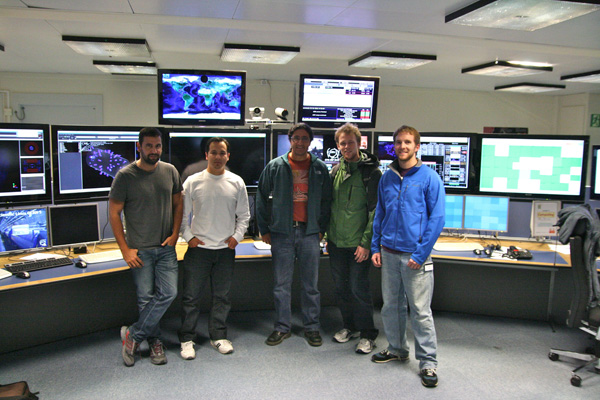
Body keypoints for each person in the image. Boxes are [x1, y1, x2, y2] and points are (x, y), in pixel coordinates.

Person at [370, 125, 445, 388]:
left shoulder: (429, 178)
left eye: (408, 142)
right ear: (394, 146)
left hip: (415, 256)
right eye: (399, 142)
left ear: (417, 146)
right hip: (389, 253)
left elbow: (437, 219)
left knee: (421, 312)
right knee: (391, 307)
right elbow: (380, 213)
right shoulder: (387, 177)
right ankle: (397, 349)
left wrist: (421, 253)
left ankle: (428, 363)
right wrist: (375, 247)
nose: (403, 146)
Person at [109, 127, 183, 367]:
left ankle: (133, 335)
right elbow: (114, 213)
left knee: (169, 293)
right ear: (139, 146)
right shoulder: (125, 176)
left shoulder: (170, 171)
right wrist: (125, 249)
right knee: (146, 298)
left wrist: (175, 233)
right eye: (149, 146)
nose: (154, 150)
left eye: (158, 146)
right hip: (139, 249)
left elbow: (178, 204)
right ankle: (155, 342)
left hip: (165, 247)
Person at [256, 123, 332, 347]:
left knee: (311, 285)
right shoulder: (275, 166)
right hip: (282, 233)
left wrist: (321, 229)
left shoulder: (319, 168)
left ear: (310, 142)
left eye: (304, 138)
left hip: (310, 233)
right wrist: (265, 229)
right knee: (281, 284)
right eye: (296, 138)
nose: (300, 142)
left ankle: (312, 327)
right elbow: (261, 198)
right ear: (290, 140)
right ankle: (282, 327)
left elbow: (327, 201)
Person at [178, 137, 250, 360]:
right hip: (199, 250)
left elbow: (244, 216)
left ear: (228, 156)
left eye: (222, 153)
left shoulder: (236, 182)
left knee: (222, 297)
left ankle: (218, 336)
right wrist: (189, 237)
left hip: (225, 250)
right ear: (206, 155)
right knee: (191, 297)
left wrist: (237, 237)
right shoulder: (193, 181)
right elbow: (181, 215)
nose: (217, 157)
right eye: (213, 152)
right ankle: (187, 339)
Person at [326, 123, 381, 354]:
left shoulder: (372, 173)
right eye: (342, 143)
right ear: (337, 145)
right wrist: (327, 237)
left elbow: (375, 211)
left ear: (359, 143)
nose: (346, 146)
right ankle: (350, 327)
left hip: (359, 244)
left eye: (350, 142)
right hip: (336, 242)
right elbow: (330, 206)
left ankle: (368, 334)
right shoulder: (335, 171)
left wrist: (366, 243)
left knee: (359, 289)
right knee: (341, 288)